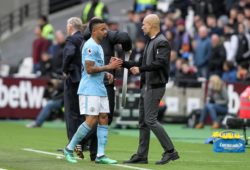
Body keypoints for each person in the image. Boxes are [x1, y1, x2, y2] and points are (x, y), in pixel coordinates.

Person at [120, 14, 179, 165]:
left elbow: (159, 63)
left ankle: (170, 151)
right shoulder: (151, 42)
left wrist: (140, 69)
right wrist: (122, 63)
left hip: (155, 86)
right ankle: (142, 155)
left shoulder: (162, 42)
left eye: (144, 24)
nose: (142, 27)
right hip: (147, 86)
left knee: (150, 120)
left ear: (152, 25)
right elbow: (140, 63)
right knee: (143, 122)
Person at [63, 18, 122, 164]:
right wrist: (109, 68)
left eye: (106, 29)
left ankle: (100, 155)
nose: (105, 32)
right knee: (91, 120)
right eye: (102, 29)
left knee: (104, 118)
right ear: (94, 31)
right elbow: (89, 69)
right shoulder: (90, 46)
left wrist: (106, 73)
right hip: (90, 89)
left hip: (99, 88)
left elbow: (95, 68)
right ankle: (69, 148)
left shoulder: (99, 46)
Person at [83, 21, 132, 125]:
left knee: (94, 118)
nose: (105, 31)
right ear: (95, 29)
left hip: (90, 83)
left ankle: (82, 141)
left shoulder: (86, 42)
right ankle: (77, 141)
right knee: (103, 119)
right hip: (103, 83)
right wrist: (127, 49)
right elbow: (125, 37)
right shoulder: (103, 38)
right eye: (103, 29)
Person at [62, 17, 85, 159]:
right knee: (82, 113)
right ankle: (82, 143)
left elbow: (69, 54)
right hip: (84, 79)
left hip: (73, 79)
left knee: (71, 113)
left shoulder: (71, 40)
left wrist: (65, 69)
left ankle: (72, 143)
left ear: (70, 26)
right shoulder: (84, 38)